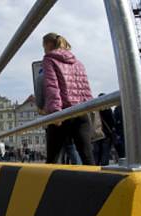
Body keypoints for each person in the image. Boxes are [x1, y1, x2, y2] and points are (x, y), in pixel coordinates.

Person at [42, 32, 95, 165]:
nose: (43, 49)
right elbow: (85, 87)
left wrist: (55, 113)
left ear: (48, 44)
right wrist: (90, 106)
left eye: (43, 46)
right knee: (87, 156)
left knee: (52, 159)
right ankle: (96, 184)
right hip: (80, 111)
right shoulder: (78, 63)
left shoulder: (49, 59)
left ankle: (52, 186)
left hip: (63, 112)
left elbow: (52, 85)